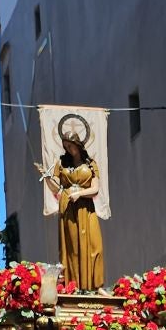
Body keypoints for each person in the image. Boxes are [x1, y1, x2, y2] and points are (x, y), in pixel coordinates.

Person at [44, 115, 104, 291]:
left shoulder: (91, 164)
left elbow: (95, 189)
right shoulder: (61, 163)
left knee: (95, 245)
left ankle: (95, 285)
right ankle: (74, 286)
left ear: (78, 145)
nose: (68, 149)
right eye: (65, 146)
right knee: (72, 247)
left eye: (70, 146)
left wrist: (80, 193)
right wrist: (47, 178)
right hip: (68, 207)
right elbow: (55, 188)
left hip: (86, 208)